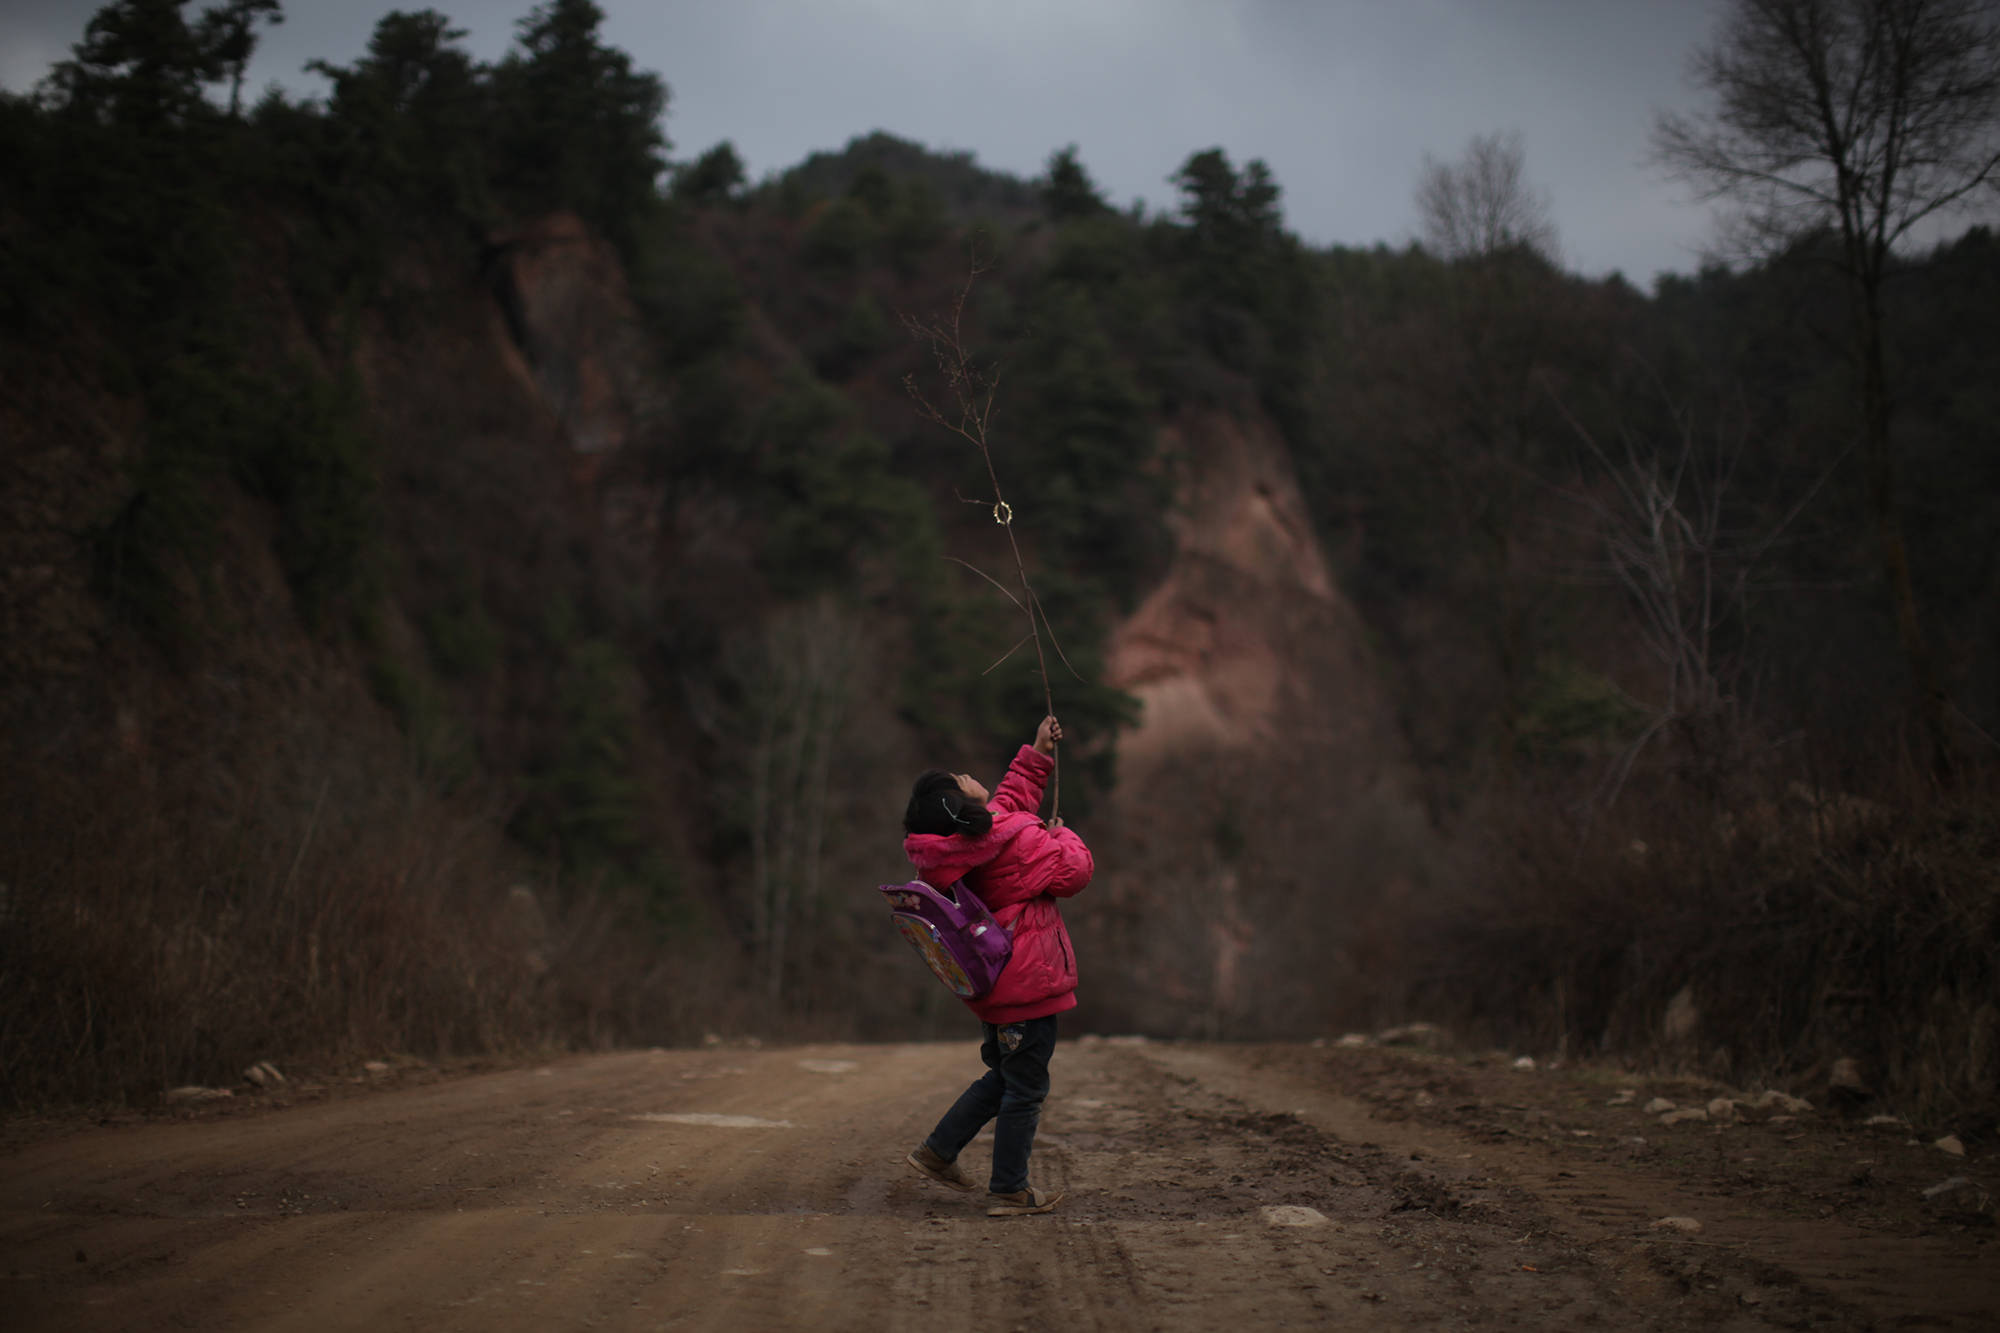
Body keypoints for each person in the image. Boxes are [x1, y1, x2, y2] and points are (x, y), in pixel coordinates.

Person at [899, 714, 1093, 1217]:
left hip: (996, 985)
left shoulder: (969, 843)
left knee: (1005, 1078)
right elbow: (1074, 872)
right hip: (1028, 982)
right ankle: (1009, 1187)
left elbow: (1008, 804)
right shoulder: (1013, 839)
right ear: (962, 805)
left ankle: (939, 1152)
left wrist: (1037, 751)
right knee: (1026, 1088)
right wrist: (1064, 836)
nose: (968, 777)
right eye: (960, 782)